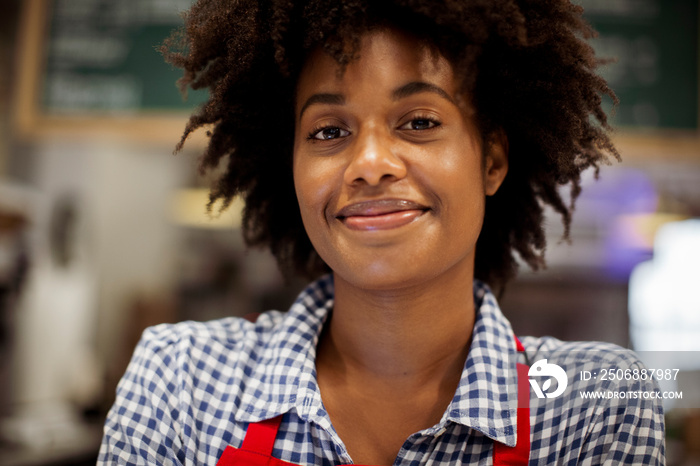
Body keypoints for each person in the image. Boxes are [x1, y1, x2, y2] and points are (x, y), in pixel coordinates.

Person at [99, 1, 665, 464]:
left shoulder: (600, 404)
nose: (369, 163)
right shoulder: (179, 379)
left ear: (491, 160)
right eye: (328, 131)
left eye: (419, 122)